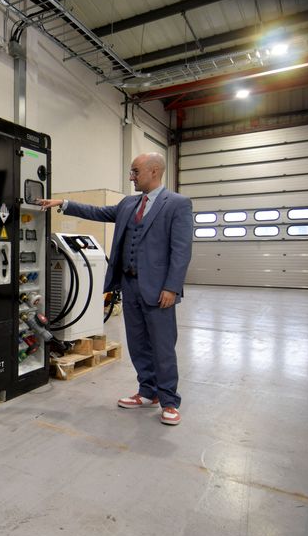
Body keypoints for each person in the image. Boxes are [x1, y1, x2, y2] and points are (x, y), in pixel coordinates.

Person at [37, 152, 192, 426]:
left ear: (154, 171)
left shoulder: (177, 204)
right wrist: (64, 203)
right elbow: (97, 213)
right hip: (130, 285)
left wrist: (172, 287)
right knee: (138, 344)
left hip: (159, 290)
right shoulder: (128, 204)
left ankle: (169, 401)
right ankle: (147, 391)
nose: (131, 176)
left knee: (163, 346)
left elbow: (181, 250)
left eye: (135, 171)